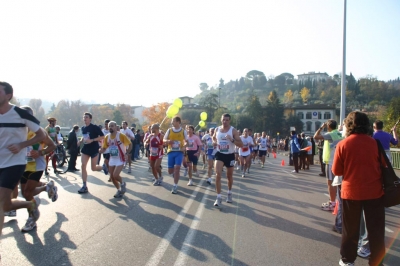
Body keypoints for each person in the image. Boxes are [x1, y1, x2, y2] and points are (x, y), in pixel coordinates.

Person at [332, 111, 385, 266]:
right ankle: (376, 260)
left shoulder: (343, 144)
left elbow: (337, 171)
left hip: (351, 191)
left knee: (351, 229)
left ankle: (348, 260)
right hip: (374, 192)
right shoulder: (374, 143)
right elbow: (384, 166)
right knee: (375, 230)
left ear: (348, 125)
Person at [0, 81, 46, 236]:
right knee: (4, 205)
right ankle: (30, 205)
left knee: (1, 202)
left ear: (8, 96)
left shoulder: (20, 113)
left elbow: (42, 135)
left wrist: (22, 144)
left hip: (14, 163)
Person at [17, 106, 59, 232]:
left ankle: (32, 218)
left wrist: (40, 153)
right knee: (25, 193)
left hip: (37, 166)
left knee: (28, 193)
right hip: (23, 166)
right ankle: (47, 187)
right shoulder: (18, 131)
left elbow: (53, 145)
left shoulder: (39, 132)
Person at [212, 113, 243, 206]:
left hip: (230, 155)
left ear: (230, 121)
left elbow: (241, 144)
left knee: (229, 176)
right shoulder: (217, 129)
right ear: (221, 120)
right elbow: (213, 137)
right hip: (219, 154)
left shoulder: (233, 131)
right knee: (218, 174)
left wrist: (232, 139)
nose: (224, 122)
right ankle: (218, 197)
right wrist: (214, 142)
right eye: (223, 120)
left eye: (227, 120)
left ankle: (229, 192)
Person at [314, 119, 342, 211]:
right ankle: (334, 201)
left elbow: (316, 136)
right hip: (338, 160)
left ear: (328, 126)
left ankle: (333, 203)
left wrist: (321, 127)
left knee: (330, 183)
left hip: (330, 161)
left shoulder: (330, 134)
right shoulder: (339, 133)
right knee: (337, 183)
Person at [100, 121, 131, 198]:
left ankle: (122, 183)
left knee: (115, 175)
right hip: (112, 158)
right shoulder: (107, 137)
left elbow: (130, 144)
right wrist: (101, 150)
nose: (110, 127)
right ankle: (119, 190)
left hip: (120, 158)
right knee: (112, 177)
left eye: (112, 126)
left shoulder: (121, 136)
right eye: (109, 126)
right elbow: (104, 147)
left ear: (116, 127)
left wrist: (127, 153)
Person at [78, 112, 105, 194]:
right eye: (84, 117)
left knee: (93, 168)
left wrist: (92, 140)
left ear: (90, 119)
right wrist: (81, 140)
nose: (85, 118)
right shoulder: (83, 128)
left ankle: (104, 168)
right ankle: (84, 186)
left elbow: (102, 136)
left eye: (86, 117)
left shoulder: (94, 127)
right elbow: (84, 136)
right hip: (86, 148)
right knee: (83, 166)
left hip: (94, 148)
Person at [163, 116, 188, 194]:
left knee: (177, 168)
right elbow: (163, 140)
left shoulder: (183, 131)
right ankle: (173, 173)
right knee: (170, 171)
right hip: (171, 151)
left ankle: (175, 186)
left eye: (173, 121)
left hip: (179, 152)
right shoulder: (169, 130)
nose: (172, 122)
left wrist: (184, 147)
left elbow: (187, 142)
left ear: (178, 122)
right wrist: (168, 141)